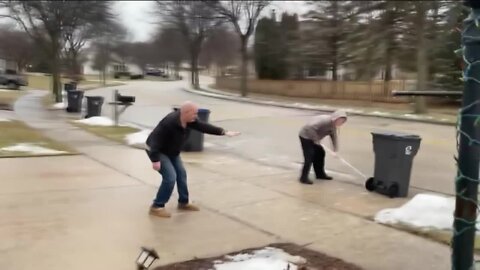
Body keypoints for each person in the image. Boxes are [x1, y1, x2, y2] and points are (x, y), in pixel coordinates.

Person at [145, 101, 240, 218]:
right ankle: (157, 206)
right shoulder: (169, 123)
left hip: (172, 152)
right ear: (185, 113)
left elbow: (204, 126)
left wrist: (223, 132)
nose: (196, 116)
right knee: (170, 178)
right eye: (194, 113)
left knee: (181, 174)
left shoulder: (190, 120)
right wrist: (155, 160)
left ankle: (183, 202)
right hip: (158, 151)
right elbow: (155, 141)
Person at [298, 110, 347, 185]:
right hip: (305, 136)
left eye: (342, 122)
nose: (340, 123)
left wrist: (335, 150)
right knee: (309, 156)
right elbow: (309, 128)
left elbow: (333, 137)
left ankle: (320, 174)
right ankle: (303, 178)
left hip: (315, 139)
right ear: (335, 118)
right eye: (340, 120)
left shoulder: (333, 126)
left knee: (320, 153)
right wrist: (316, 139)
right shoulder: (324, 121)